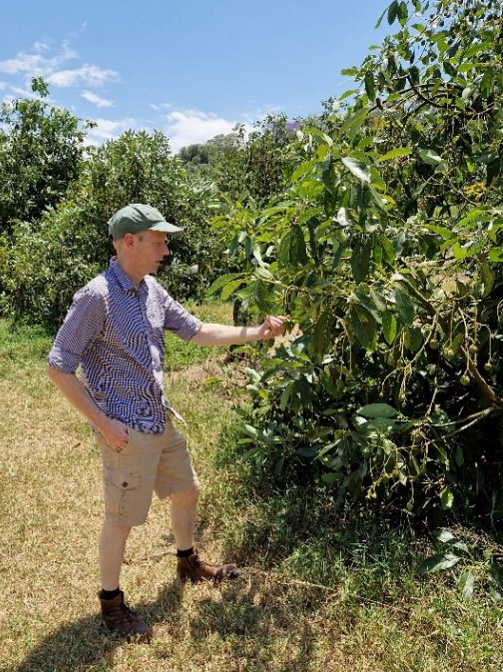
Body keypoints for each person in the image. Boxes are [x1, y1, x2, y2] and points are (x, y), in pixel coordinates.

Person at [47, 203, 286, 642]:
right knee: (121, 520)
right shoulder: (95, 297)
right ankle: (111, 605)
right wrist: (102, 423)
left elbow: (196, 331)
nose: (166, 250)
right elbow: (59, 366)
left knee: (188, 489)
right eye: (159, 242)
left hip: (157, 417)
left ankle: (187, 561)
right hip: (124, 430)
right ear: (130, 242)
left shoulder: (151, 290)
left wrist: (257, 332)